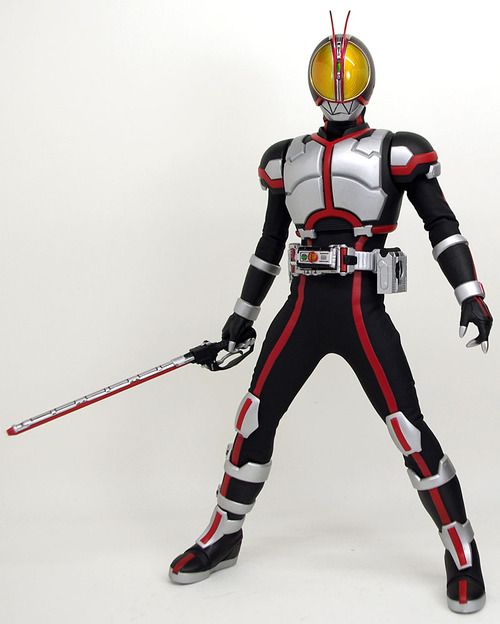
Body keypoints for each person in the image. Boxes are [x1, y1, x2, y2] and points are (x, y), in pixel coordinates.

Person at [169, 17, 492, 614]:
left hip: (361, 307)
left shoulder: (397, 150)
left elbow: (441, 225)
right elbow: (270, 246)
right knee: (253, 418)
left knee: (407, 427)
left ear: (368, 82)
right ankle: (223, 534)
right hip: (302, 307)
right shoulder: (285, 159)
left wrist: (470, 294)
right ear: (312, 84)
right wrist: (240, 318)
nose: (338, 87)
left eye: (348, 74)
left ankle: (461, 547)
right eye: (328, 74)